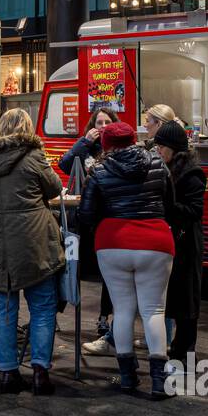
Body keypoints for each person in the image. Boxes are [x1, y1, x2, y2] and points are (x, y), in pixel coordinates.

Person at [0, 108, 64, 395]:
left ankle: (8, 373)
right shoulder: (34, 157)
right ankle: (40, 373)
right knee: (43, 307)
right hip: (34, 244)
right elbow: (55, 188)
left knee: (2, 308)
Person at [77, 120, 175, 398]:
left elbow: (85, 214)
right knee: (154, 311)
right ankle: (158, 382)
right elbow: (169, 203)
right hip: (155, 240)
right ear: (134, 140)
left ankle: (128, 378)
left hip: (112, 242)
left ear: (106, 144)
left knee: (122, 311)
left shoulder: (98, 170)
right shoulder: (158, 163)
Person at [59, 108, 120, 349]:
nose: (103, 126)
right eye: (98, 122)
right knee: (72, 266)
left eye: (107, 122)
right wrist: (83, 142)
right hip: (84, 217)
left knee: (108, 273)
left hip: (107, 217)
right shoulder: (87, 147)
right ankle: (55, 313)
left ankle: (105, 318)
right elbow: (64, 164)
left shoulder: (115, 150)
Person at [153, 120, 205, 370]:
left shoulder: (192, 174)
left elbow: (194, 211)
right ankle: (173, 347)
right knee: (172, 297)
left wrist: (168, 207)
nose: (158, 151)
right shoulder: (164, 168)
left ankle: (184, 351)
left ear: (174, 149)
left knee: (186, 300)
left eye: (161, 147)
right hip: (169, 240)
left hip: (186, 242)